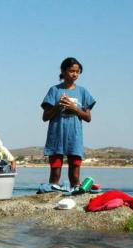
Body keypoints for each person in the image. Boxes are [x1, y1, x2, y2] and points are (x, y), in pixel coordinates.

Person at [41, 57, 96, 188]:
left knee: (75, 175)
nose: (75, 74)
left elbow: (88, 118)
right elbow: (45, 117)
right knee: (55, 173)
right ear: (63, 71)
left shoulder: (83, 92)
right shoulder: (54, 90)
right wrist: (57, 106)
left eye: (78, 72)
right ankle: (52, 197)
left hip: (74, 138)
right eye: (72, 71)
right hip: (56, 137)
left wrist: (74, 108)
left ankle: (75, 195)